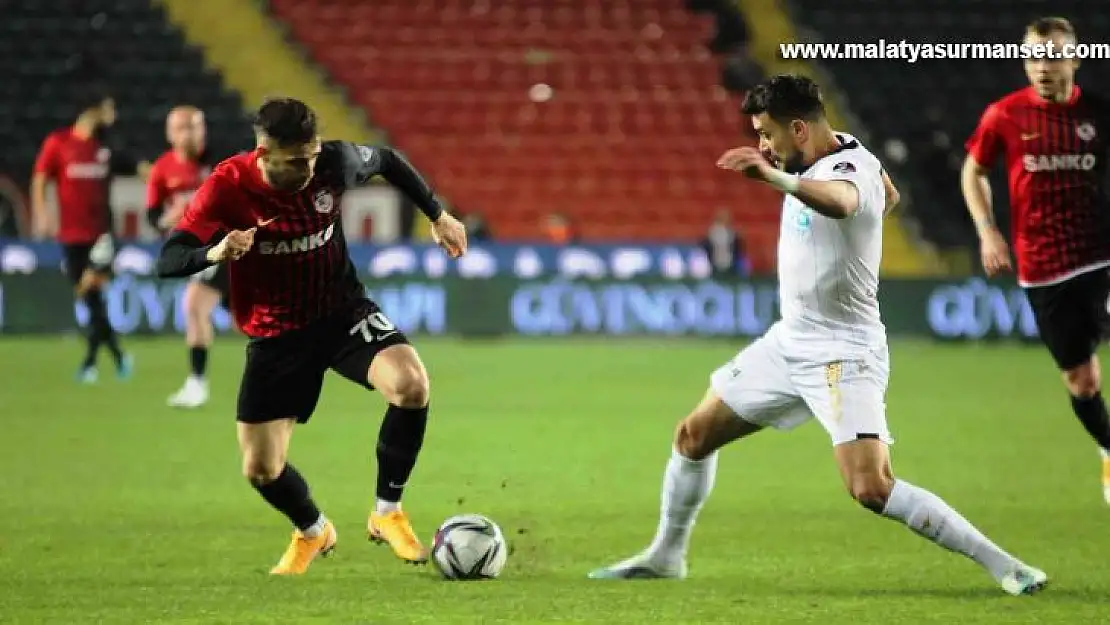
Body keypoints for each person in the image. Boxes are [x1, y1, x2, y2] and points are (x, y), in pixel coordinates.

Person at [588, 74, 1047, 596]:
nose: (763, 145)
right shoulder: (842, 159)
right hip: (788, 344)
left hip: (842, 353)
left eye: (767, 134)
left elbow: (845, 203)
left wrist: (773, 177)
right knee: (692, 436)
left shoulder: (842, 169)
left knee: (871, 487)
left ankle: (1005, 565)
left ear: (799, 128)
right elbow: (885, 198)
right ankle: (666, 556)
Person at [155, 97, 467, 575]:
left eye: (312, 155)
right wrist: (214, 253)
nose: (308, 167)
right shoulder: (228, 185)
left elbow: (386, 160)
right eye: (296, 160)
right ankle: (313, 528)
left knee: (411, 386)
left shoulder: (333, 162)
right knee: (261, 469)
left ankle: (388, 511)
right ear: (264, 154)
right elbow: (169, 259)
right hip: (276, 333)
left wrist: (437, 214)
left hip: (340, 311)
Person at [961, 16, 1110, 505]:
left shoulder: (1099, 114)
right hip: (1044, 265)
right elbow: (974, 171)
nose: (1043, 67)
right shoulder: (1003, 115)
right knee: (1082, 379)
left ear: (1075, 58)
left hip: (1100, 255)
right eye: (1034, 57)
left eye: (1053, 55)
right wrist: (988, 232)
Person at [31, 90, 134, 383]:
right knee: (92, 300)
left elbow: (136, 166)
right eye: (109, 108)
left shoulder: (107, 146)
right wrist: (43, 213)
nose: (113, 115)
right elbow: (40, 178)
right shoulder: (59, 143)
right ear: (94, 111)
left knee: (92, 296)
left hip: (102, 236)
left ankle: (92, 364)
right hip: (71, 236)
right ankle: (116, 358)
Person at [146, 105, 223, 408]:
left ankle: (197, 384)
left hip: (230, 243)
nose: (188, 134)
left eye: (193, 126)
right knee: (199, 308)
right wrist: (170, 218)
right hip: (202, 252)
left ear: (203, 130)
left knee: (194, 305)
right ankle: (197, 383)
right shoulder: (162, 169)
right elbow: (154, 218)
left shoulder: (222, 160)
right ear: (169, 133)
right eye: (181, 128)